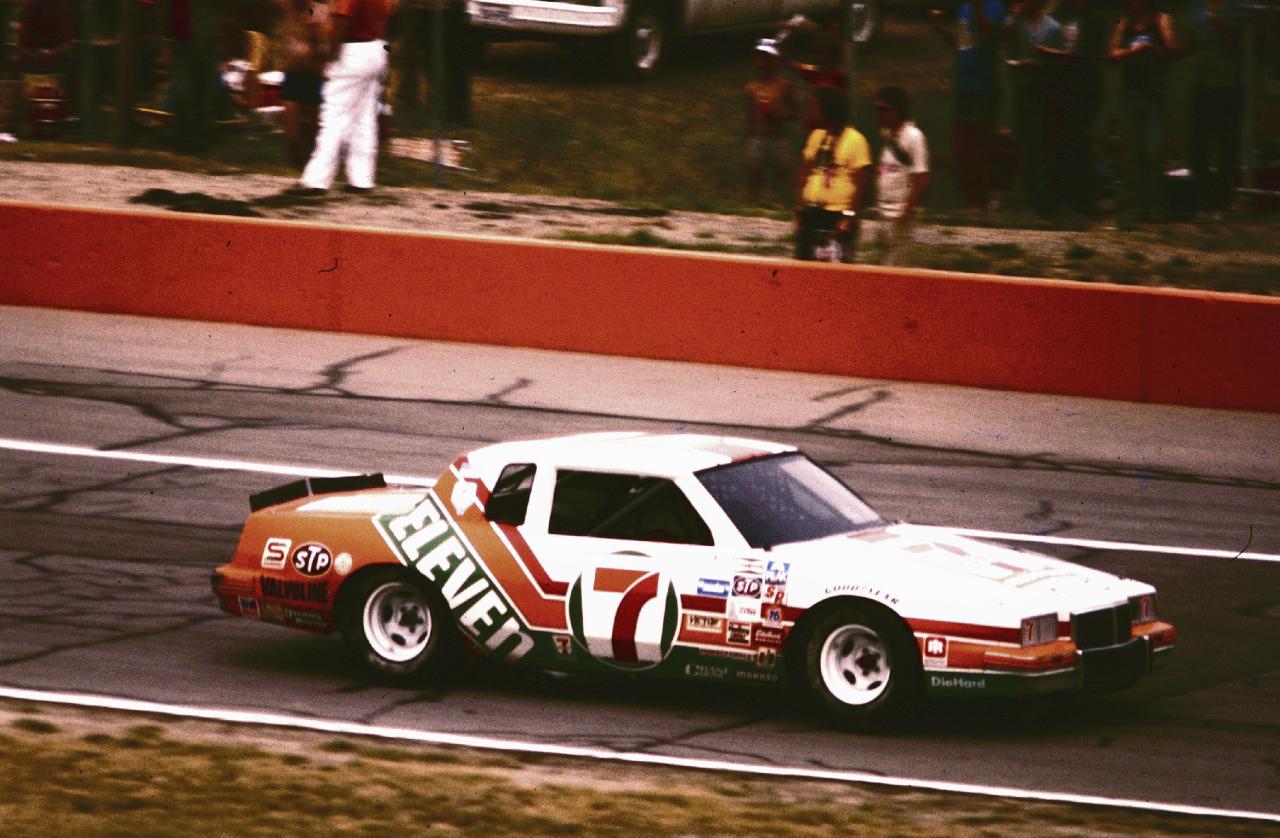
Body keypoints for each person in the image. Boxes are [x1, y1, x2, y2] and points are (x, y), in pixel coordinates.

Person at [296, 0, 392, 194]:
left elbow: (342, 24)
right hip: (377, 48)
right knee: (364, 117)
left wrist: (328, 58)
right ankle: (361, 179)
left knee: (333, 116)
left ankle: (316, 181)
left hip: (352, 51)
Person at [931, 0, 1010, 218]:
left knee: (978, 144)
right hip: (963, 87)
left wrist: (977, 8)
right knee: (961, 145)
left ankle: (982, 200)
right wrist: (941, 30)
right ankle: (971, 197)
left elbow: (990, 35)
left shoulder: (994, 6)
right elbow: (962, 45)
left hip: (984, 86)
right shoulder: (964, 7)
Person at [1109, 0, 1182, 222]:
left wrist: (1151, 50)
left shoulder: (1161, 19)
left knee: (1154, 151)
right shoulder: (1124, 24)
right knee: (1135, 151)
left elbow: (1172, 50)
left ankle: (1156, 205)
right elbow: (1112, 53)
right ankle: (1139, 205)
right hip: (1131, 91)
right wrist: (1129, 53)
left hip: (1154, 92)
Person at [1036, 0, 1108, 214]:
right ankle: (1064, 197)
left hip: (1086, 85)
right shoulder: (1066, 18)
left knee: (1078, 139)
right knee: (1063, 140)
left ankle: (1085, 200)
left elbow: (1083, 55)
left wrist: (1049, 53)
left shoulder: (1095, 22)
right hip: (1064, 86)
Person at [793, 86, 871, 263]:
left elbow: (862, 184)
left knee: (833, 269)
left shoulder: (855, 139)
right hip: (811, 213)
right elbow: (804, 173)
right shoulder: (816, 136)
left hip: (837, 217)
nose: (810, 113)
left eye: (814, 109)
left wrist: (849, 216)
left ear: (828, 111)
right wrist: (798, 209)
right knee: (803, 266)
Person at [1187, 0, 1243, 217]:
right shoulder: (1198, 7)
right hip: (1201, 83)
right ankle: (1203, 200)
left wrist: (1223, 28)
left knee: (1225, 145)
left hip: (1227, 85)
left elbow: (1245, 45)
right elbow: (1192, 42)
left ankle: (1223, 201)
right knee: (1198, 145)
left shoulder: (1236, 7)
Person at [1007, 0, 1062, 215]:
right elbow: (1007, 42)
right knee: (1025, 144)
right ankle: (1030, 197)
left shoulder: (1052, 27)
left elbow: (1058, 62)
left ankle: (1044, 200)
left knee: (1042, 145)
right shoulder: (1018, 25)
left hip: (1044, 91)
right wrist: (1014, 18)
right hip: (1023, 89)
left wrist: (1038, 66)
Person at [871, 86, 929, 266]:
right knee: (885, 259)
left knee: (896, 264)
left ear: (895, 110)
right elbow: (886, 168)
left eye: (883, 110)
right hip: (883, 208)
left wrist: (908, 208)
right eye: (877, 110)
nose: (878, 115)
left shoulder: (914, 136)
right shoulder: (888, 136)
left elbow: (921, 176)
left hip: (900, 211)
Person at [276, 0, 330, 169]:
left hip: (305, 65)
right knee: (300, 105)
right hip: (301, 66)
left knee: (306, 106)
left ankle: (301, 149)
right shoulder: (301, 8)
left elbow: (319, 37)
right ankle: (298, 149)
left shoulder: (314, 10)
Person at [744, 38, 796, 206]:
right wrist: (750, 136)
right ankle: (755, 199)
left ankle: (779, 197)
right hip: (757, 136)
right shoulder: (751, 88)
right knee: (753, 166)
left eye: (767, 58)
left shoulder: (784, 86)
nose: (762, 62)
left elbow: (795, 112)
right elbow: (749, 116)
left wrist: (782, 114)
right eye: (759, 58)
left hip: (778, 136)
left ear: (775, 61)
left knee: (785, 167)